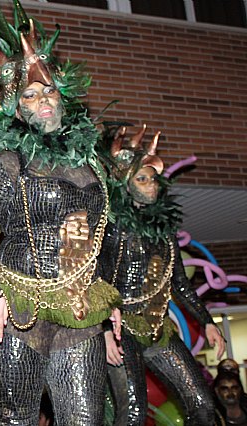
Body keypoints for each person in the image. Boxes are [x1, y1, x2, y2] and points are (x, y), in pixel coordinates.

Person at [0, 15, 122, 426]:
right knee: (15, 418)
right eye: (29, 96)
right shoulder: (8, 162)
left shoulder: (93, 167)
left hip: (79, 309)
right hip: (17, 306)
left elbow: (101, 238)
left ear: (62, 95)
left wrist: (108, 299)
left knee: (86, 419)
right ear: (15, 108)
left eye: (48, 90)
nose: (43, 100)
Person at [99, 126, 224, 425]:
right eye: (142, 179)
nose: (151, 185)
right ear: (124, 184)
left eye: (153, 179)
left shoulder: (164, 232)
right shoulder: (110, 227)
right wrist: (104, 331)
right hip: (120, 329)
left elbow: (179, 283)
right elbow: (95, 278)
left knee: (204, 405)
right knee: (132, 413)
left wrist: (207, 323)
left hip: (157, 327)